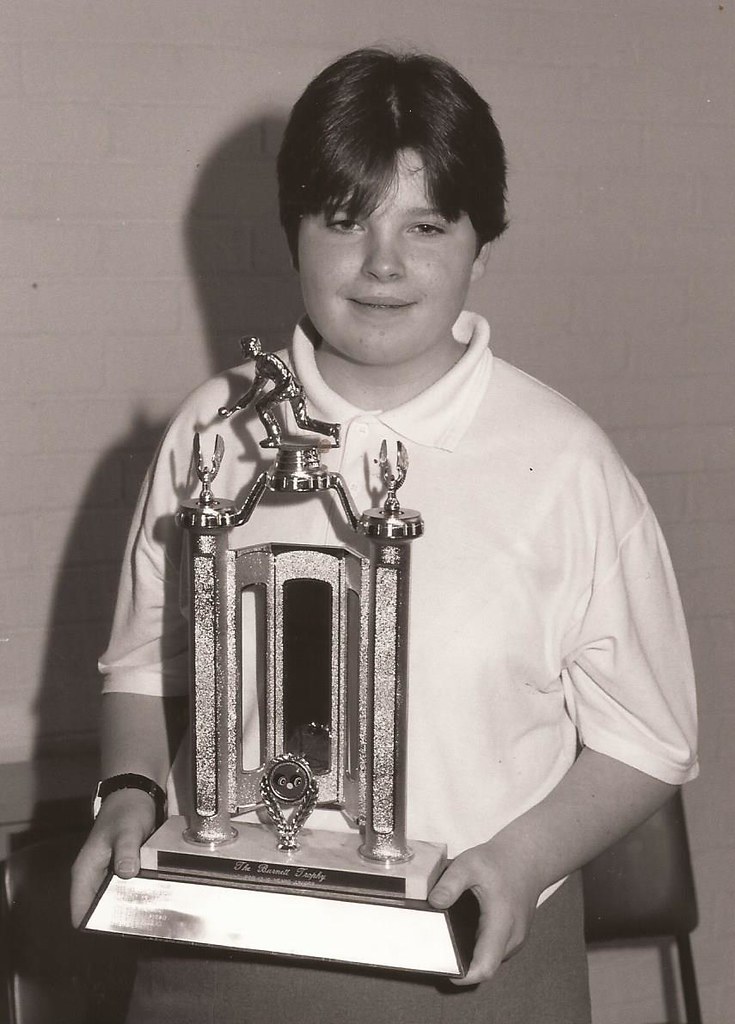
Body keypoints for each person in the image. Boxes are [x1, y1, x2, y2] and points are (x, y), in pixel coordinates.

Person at [71, 47, 698, 1023]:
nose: (383, 264)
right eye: (345, 219)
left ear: (480, 245)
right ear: (294, 234)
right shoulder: (215, 430)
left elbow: (651, 738)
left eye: (427, 225)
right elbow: (143, 661)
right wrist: (126, 794)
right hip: (219, 962)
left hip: (470, 965)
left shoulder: (567, 463)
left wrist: (517, 860)